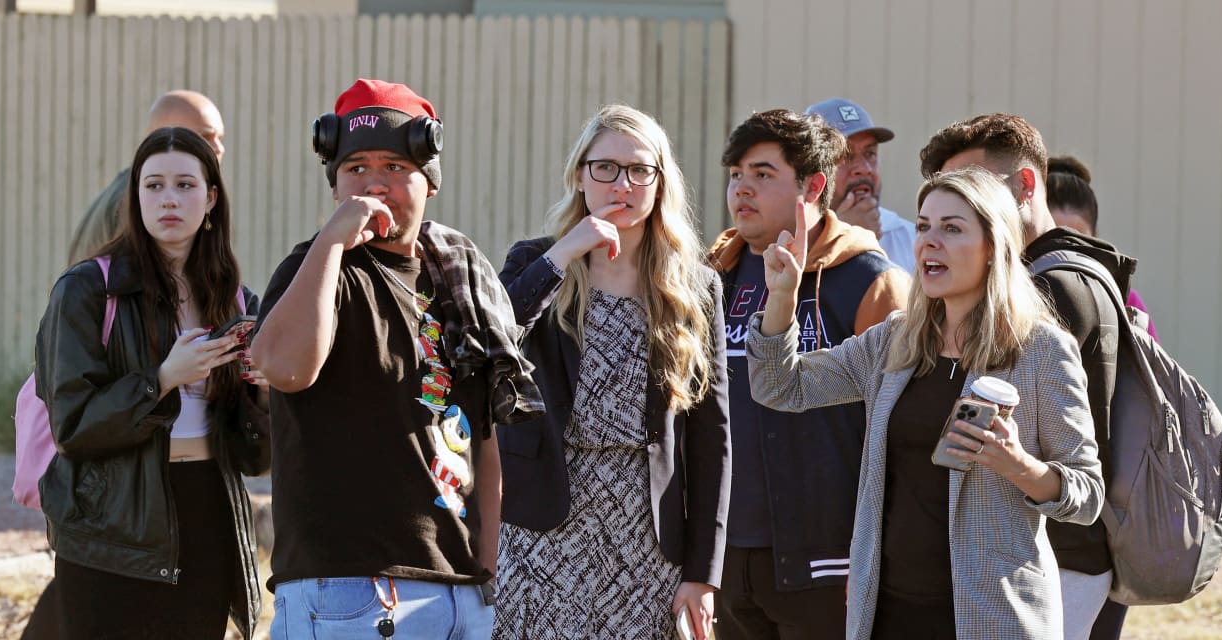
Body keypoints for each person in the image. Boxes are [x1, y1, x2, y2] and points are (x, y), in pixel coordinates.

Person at [747, 166, 1104, 639]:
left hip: (991, 619)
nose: (929, 242)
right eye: (923, 226)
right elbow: (780, 387)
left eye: (951, 229)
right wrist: (782, 299)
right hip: (888, 614)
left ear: (993, 247)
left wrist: (1018, 465)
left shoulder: (1041, 351)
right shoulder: (895, 341)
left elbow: (1087, 495)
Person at [251, 78, 541, 640]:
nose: (374, 184)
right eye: (355, 168)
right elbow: (284, 368)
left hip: (460, 592)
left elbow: (484, 441)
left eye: (394, 167)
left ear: (428, 182)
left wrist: (487, 569)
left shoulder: (459, 286)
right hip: (353, 594)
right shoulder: (318, 270)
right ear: (334, 184)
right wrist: (332, 242)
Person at [493, 104, 731, 640]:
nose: (622, 183)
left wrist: (703, 574)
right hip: (542, 529)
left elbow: (712, 438)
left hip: (646, 533)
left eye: (639, 170)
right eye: (605, 168)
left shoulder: (694, 287)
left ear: (659, 183)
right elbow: (494, 342)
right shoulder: (537, 260)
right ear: (580, 176)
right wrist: (565, 253)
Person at [33, 126, 270, 638]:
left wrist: (265, 391)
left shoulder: (235, 300)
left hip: (207, 515)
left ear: (211, 199)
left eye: (185, 185)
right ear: (135, 196)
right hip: (110, 525)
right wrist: (162, 379)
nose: (168, 199)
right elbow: (72, 426)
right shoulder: (88, 290)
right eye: (154, 185)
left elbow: (255, 459)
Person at [919, 114, 1137, 640]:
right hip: (1063, 555)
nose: (963, 202)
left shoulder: (1047, 292)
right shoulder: (1080, 273)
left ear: (1024, 185)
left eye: (975, 185)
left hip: (1049, 560)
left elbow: (1074, 469)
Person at [708, 108, 908, 640]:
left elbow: (899, 429)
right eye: (735, 174)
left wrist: (880, 556)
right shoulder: (714, 275)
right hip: (725, 556)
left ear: (814, 185)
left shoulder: (870, 280)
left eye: (762, 174)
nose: (741, 188)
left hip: (830, 562)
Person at [67, 90, 226, 265]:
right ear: (167, 136)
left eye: (219, 138)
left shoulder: (132, 187)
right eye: (205, 136)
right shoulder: (133, 199)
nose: (219, 147)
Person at [1046, 154, 1157, 341]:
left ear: (1094, 238)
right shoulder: (1014, 299)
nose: (1065, 253)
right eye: (1054, 240)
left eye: (1076, 242)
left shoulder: (1125, 302)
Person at [804, 98, 915, 272]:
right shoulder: (785, 240)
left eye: (870, 153)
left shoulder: (911, 238)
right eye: (846, 156)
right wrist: (842, 239)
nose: (864, 169)